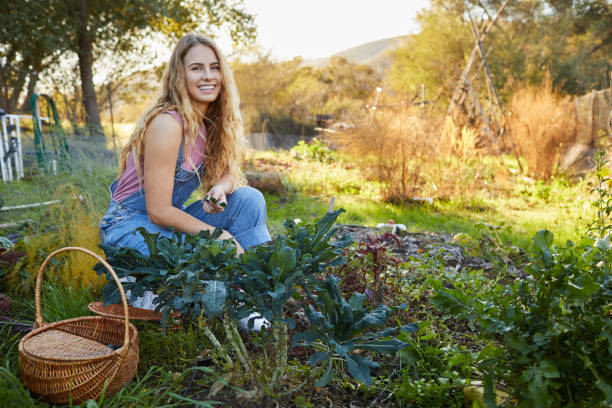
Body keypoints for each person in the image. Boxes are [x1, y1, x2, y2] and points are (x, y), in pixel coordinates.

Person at [99, 33, 271, 317]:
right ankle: (238, 304)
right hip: (129, 226)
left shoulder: (212, 122)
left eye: (214, 67)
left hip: (166, 223)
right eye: (196, 68)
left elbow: (229, 174)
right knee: (196, 256)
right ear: (180, 75)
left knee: (249, 199)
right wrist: (219, 235)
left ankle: (262, 287)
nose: (208, 76)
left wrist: (218, 189)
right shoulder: (168, 124)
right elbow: (158, 211)